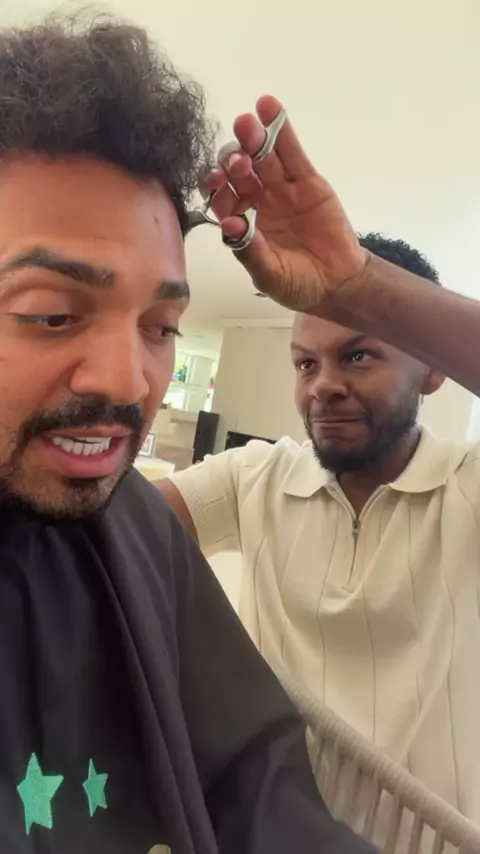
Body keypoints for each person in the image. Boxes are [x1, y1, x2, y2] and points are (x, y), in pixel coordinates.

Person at [0, 14, 377, 854]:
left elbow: (255, 783)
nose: (129, 381)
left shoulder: (134, 526)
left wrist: (363, 289)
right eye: (52, 314)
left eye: (161, 327)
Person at [158, 104, 480, 824]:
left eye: (358, 355)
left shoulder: (469, 488)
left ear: (432, 372)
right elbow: (113, 531)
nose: (322, 385)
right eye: (306, 363)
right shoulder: (256, 479)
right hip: (264, 832)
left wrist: (359, 283)